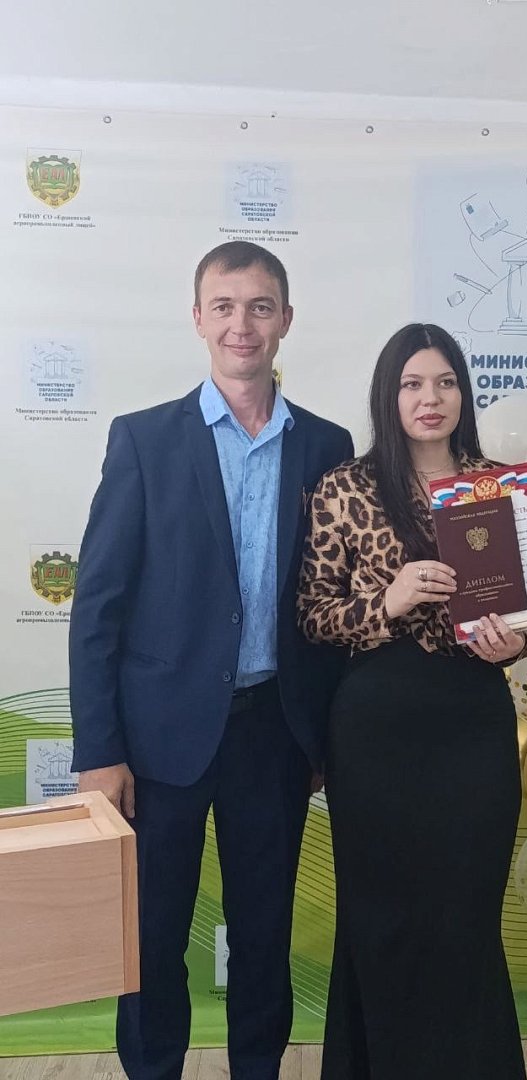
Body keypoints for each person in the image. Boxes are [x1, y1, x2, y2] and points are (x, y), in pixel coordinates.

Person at [69, 241, 353, 1080]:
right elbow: (98, 607)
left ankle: (257, 1069)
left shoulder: (327, 446)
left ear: (285, 319)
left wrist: (324, 739)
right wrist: (99, 752)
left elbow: (333, 606)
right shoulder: (144, 441)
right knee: (153, 934)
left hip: (276, 735)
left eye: (259, 307)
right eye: (224, 307)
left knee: (264, 933)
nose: (242, 325)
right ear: (198, 319)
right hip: (158, 742)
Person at [297, 323, 527, 1080]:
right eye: (411, 384)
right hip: (376, 731)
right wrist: (389, 601)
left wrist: (514, 643)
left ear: (463, 392)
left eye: (444, 382)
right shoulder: (344, 487)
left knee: (465, 916)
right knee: (383, 918)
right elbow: (312, 614)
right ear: (388, 395)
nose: (429, 398)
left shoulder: (501, 487)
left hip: (473, 722)